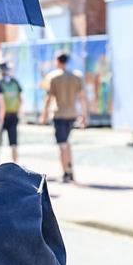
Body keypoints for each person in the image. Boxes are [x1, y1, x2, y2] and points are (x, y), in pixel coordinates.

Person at [40, 52, 86, 183]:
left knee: (62, 144)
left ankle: (66, 172)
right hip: (72, 114)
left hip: (59, 114)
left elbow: (48, 99)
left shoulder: (53, 77)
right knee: (67, 142)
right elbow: (82, 97)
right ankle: (69, 169)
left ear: (57, 61)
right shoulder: (76, 77)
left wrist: (43, 115)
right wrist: (84, 115)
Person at [0, 62, 22, 163]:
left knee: (12, 142)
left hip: (9, 115)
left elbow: (20, 98)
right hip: (6, 115)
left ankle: (14, 162)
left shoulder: (14, 82)